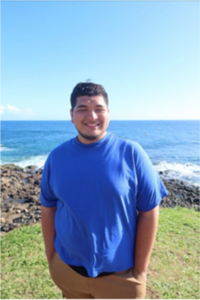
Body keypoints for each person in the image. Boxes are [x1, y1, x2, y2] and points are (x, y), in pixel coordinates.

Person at [40, 82, 168, 300]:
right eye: (82, 109)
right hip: (68, 272)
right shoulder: (56, 157)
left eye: (99, 108)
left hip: (121, 278)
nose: (92, 116)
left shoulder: (132, 153)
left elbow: (149, 211)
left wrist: (140, 270)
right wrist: (52, 258)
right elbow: (48, 209)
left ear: (108, 113)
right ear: (72, 115)